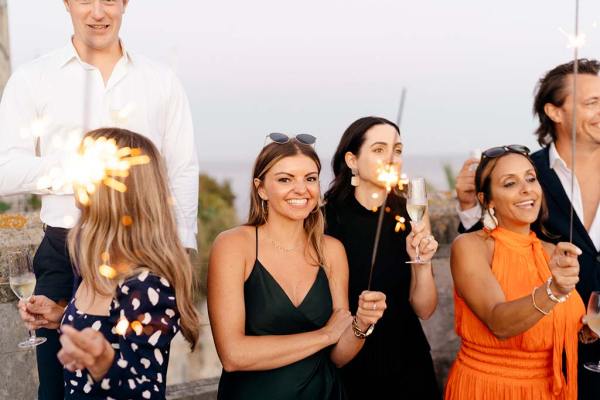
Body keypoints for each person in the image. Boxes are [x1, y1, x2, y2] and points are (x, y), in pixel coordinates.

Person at [0, 1, 198, 398]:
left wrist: (179, 254)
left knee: (137, 379)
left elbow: (182, 170)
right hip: (64, 248)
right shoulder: (33, 78)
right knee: (60, 388)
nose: (97, 12)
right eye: (85, 0)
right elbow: (5, 168)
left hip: (141, 252)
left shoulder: (161, 81)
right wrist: (79, 170)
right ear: (67, 3)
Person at [18, 128, 200, 399]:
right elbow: (101, 327)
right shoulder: (91, 264)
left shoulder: (146, 284)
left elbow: (145, 391)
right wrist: (60, 316)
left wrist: (102, 362)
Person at [455, 59, 600, 399]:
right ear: (555, 111)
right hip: (557, 367)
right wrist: (466, 208)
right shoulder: (525, 173)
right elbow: (498, 243)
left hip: (578, 331)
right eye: (592, 102)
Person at [207, 134, 387, 400]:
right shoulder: (233, 245)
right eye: (285, 179)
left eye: (310, 178)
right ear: (261, 188)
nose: (301, 189)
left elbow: (338, 356)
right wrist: (325, 335)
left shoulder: (332, 251)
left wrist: (361, 324)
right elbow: (233, 355)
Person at [446, 145, 595, 399]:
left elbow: (553, 323)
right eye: (509, 183)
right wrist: (555, 290)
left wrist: (582, 329)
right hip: (491, 388)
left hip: (549, 389)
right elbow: (499, 323)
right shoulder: (470, 246)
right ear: (487, 200)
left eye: (530, 178)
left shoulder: (553, 252)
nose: (527, 189)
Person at [324, 116, 441, 399]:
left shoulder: (412, 213)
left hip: (409, 359)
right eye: (379, 149)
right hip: (352, 358)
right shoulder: (326, 218)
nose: (392, 158)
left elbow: (424, 309)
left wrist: (422, 263)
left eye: (397, 150)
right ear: (352, 159)